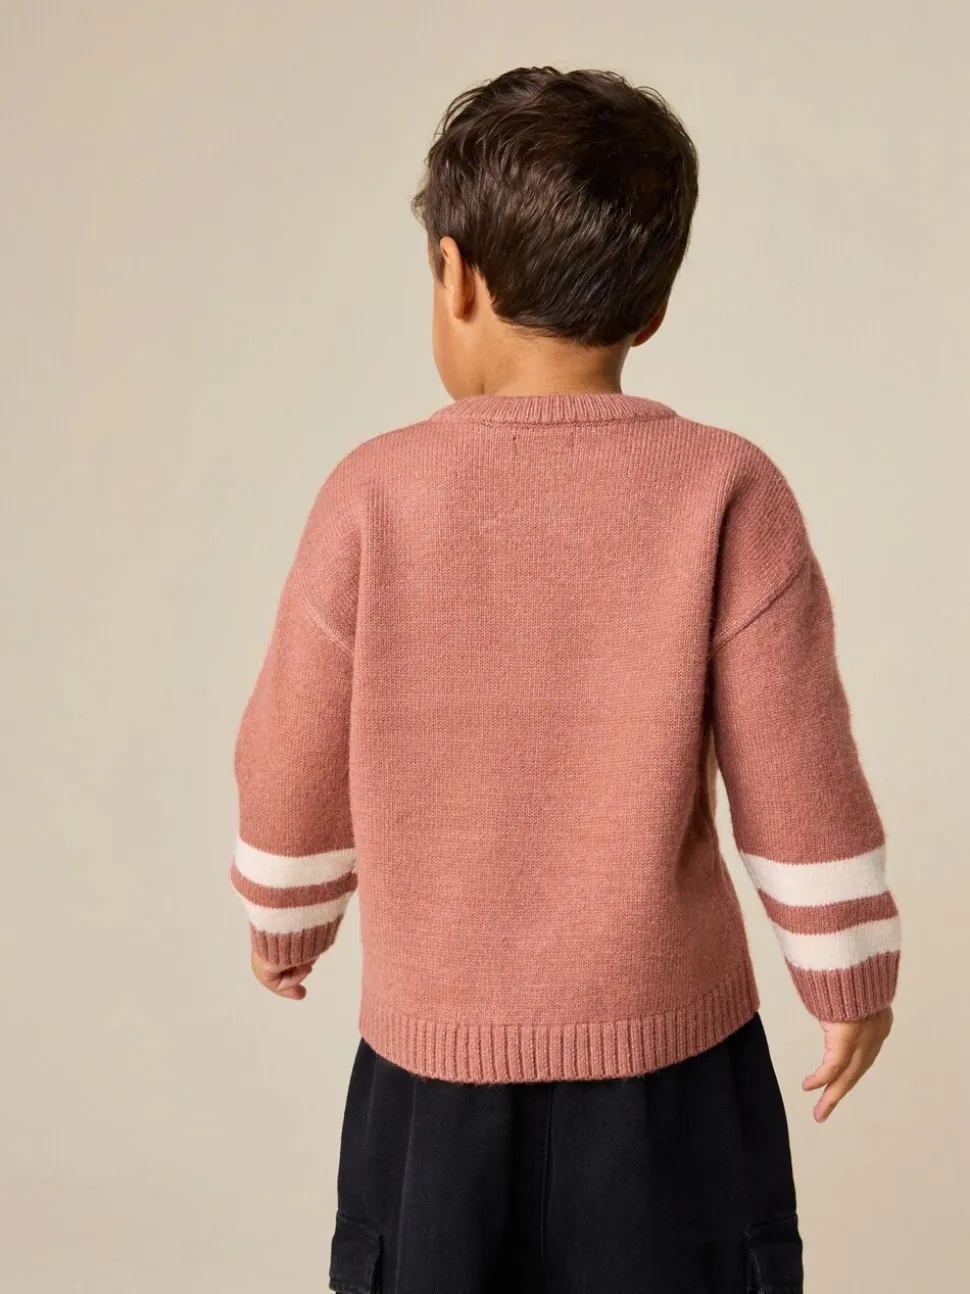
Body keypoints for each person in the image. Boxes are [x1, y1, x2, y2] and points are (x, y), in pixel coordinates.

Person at [229, 66, 900, 1294]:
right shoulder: (726, 487)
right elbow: (798, 766)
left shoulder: (372, 494)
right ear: (653, 309)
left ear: (455, 278)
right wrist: (846, 971)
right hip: (672, 1081)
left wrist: (288, 909)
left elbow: (292, 744)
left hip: (431, 1086)